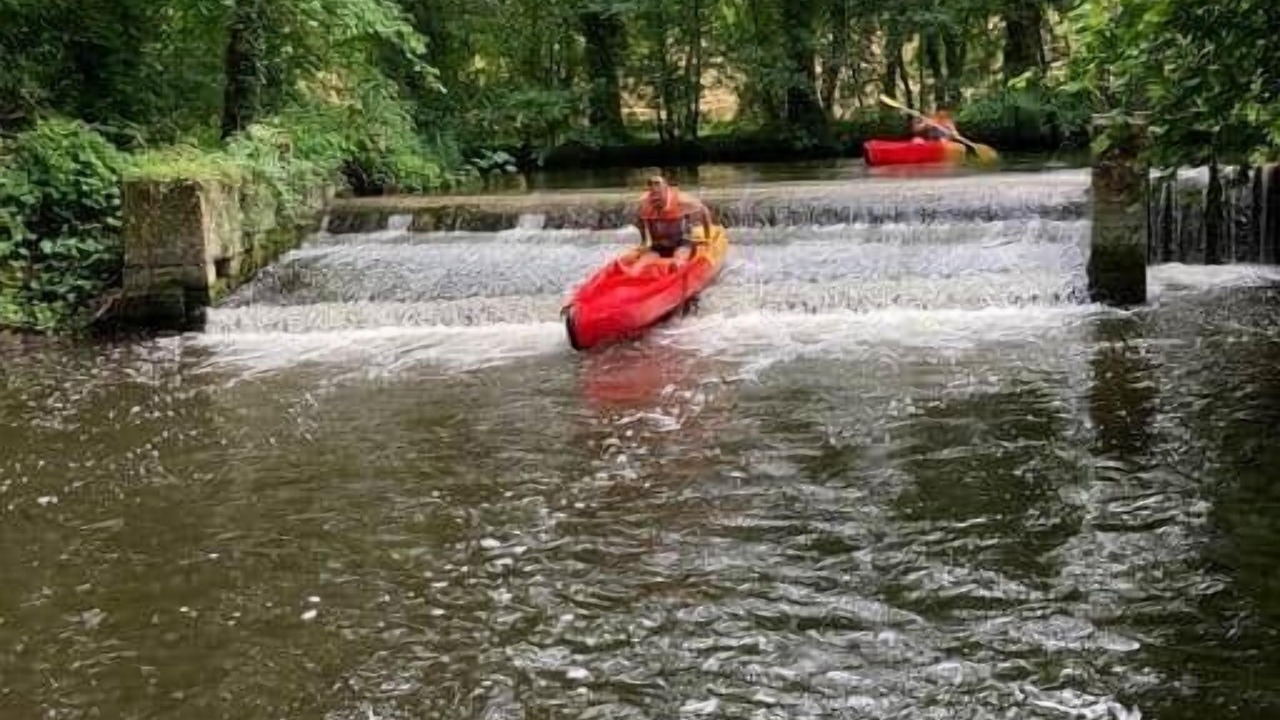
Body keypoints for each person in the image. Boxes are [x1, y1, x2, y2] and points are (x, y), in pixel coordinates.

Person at [623, 173, 714, 275]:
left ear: (665, 187)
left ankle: (677, 279)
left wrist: (708, 236)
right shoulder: (643, 203)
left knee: (678, 262)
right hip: (658, 245)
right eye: (651, 184)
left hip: (681, 243)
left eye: (657, 184)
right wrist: (644, 241)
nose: (654, 187)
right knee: (639, 266)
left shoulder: (681, 200)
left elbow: (704, 210)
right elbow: (639, 219)